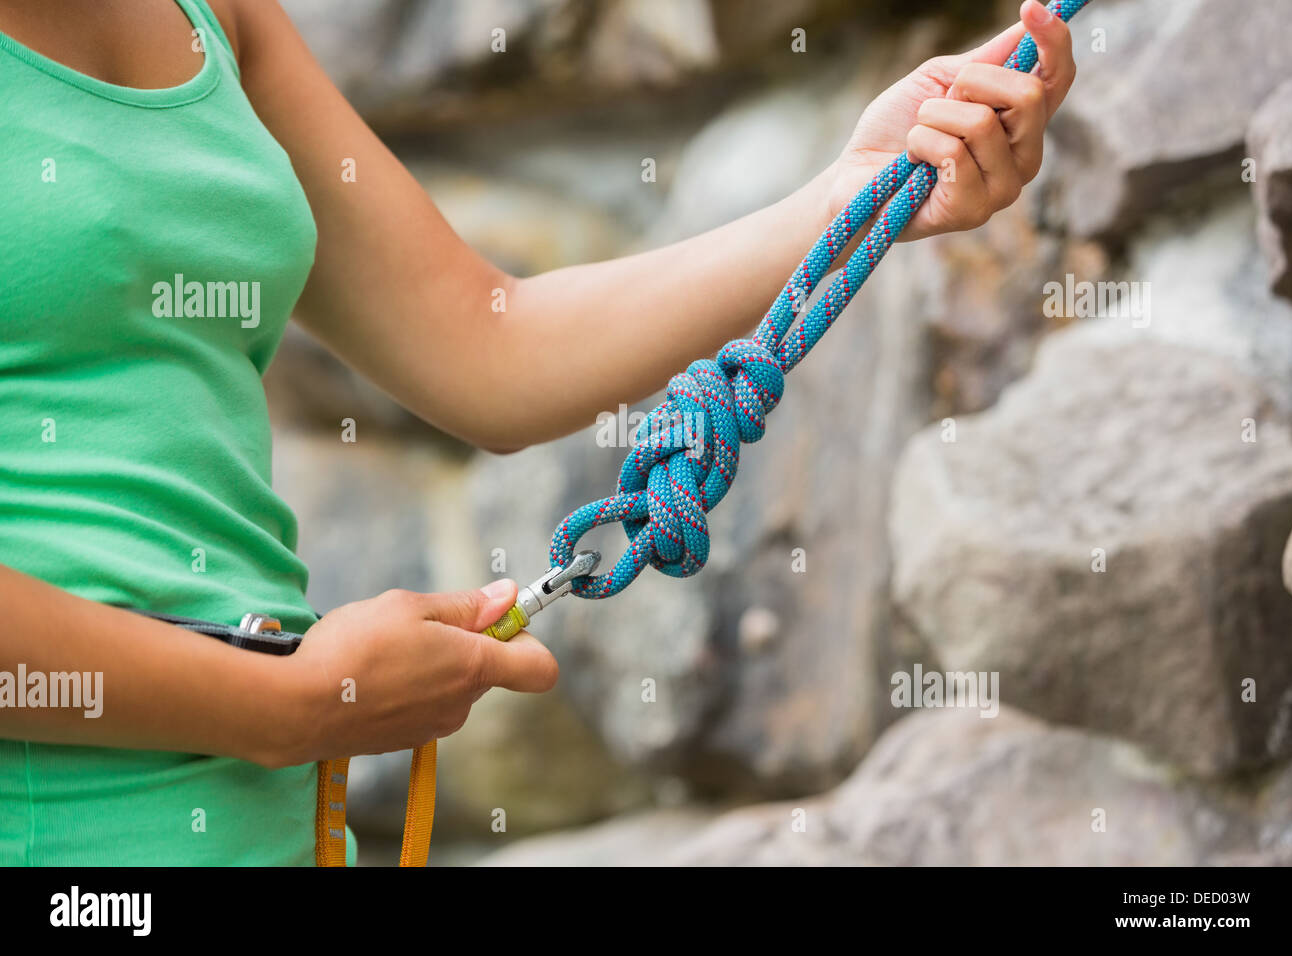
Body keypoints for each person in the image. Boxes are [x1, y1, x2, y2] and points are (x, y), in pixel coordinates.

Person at [0, 0, 1077, 864]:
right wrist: (282, 702)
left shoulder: (218, 17)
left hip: (267, 823)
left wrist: (852, 192)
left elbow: (485, 344)